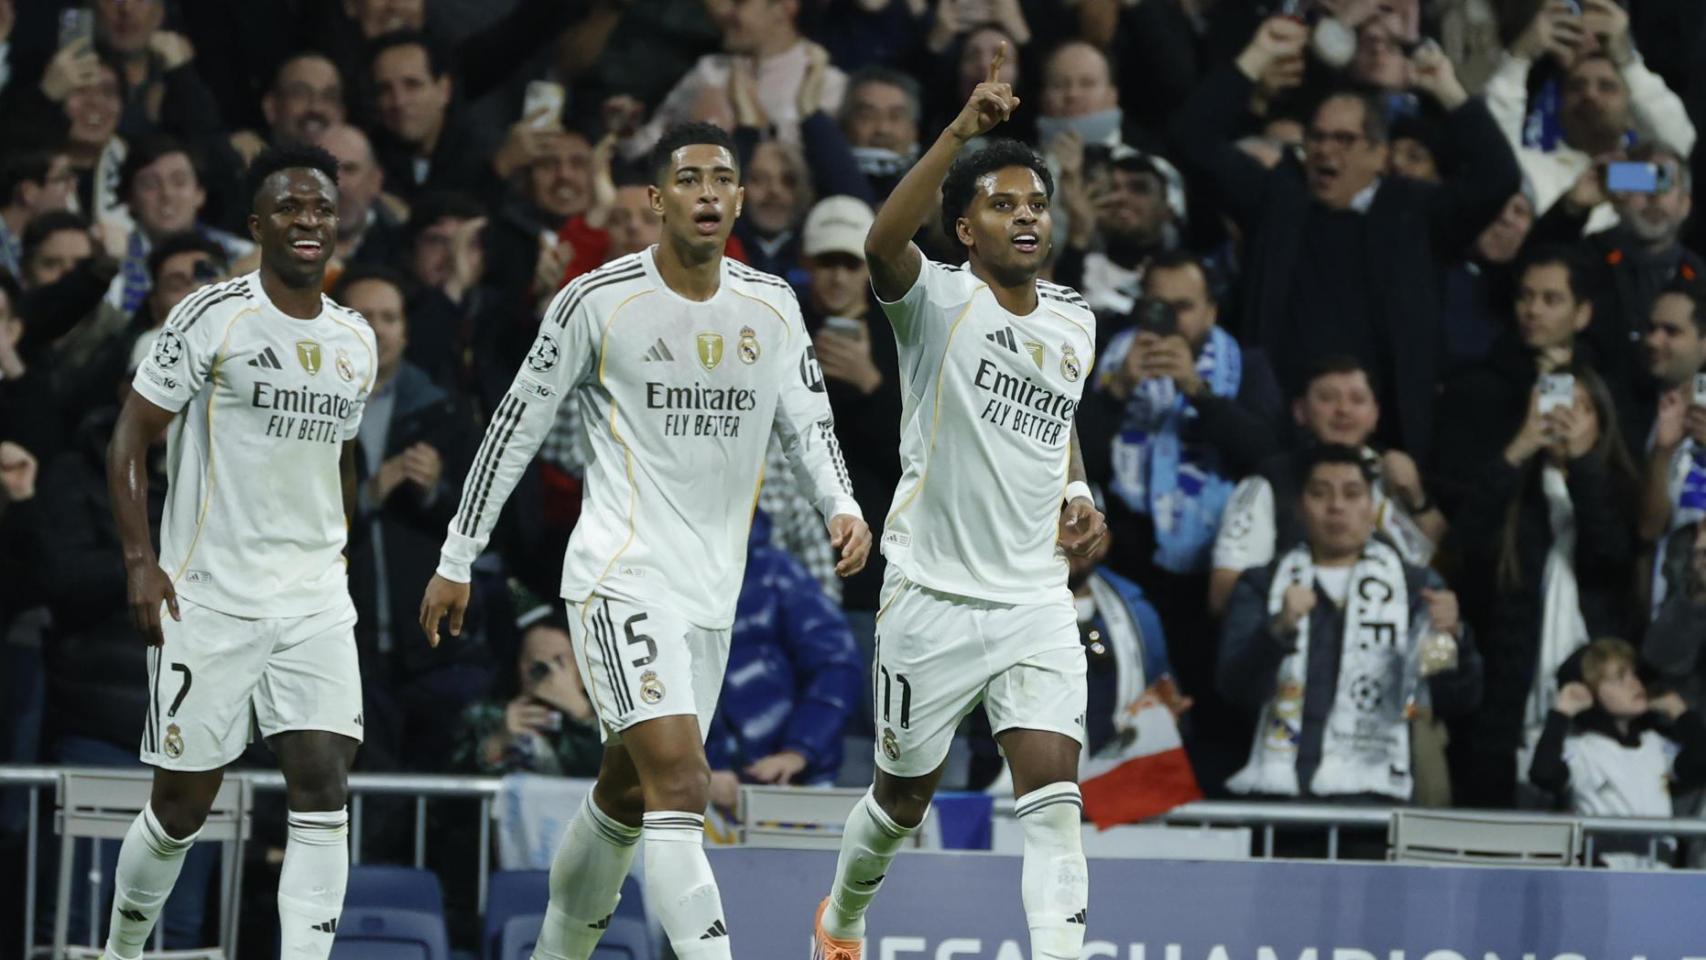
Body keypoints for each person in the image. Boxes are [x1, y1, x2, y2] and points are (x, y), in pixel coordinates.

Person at [419, 122, 870, 960]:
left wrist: (842, 502)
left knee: (625, 793)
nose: (708, 193)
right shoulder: (599, 301)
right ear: (658, 201)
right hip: (619, 577)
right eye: (689, 179)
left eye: (722, 179)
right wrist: (455, 556)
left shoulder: (770, 305)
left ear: (738, 199)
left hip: (711, 591)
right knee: (681, 782)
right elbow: (514, 427)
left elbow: (810, 423)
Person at [811, 47, 1106, 960]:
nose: (1026, 216)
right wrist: (958, 134)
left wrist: (1081, 491)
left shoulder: (1074, 320)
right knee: (901, 803)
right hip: (930, 599)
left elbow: (1059, 422)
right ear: (965, 229)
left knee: (1055, 804)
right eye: (1002, 204)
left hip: (1033, 602)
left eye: (1035, 203)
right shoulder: (931, 304)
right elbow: (878, 244)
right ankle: (844, 917)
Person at [100, 143, 377, 960]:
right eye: (290, 207)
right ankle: (120, 949)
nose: (307, 220)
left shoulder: (356, 338)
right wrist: (139, 562)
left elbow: (345, 457)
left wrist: (341, 553)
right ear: (257, 225)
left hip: (314, 600)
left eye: (321, 207)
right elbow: (128, 438)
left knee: (324, 786)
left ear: (337, 224)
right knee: (181, 809)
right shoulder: (212, 315)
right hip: (209, 597)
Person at [1218, 445, 1483, 804]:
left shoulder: (1416, 589)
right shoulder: (1263, 584)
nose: (1336, 506)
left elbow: (1448, 698)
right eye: (1320, 493)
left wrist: (1452, 639)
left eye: (1352, 493)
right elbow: (1235, 689)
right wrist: (1278, 629)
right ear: (1300, 506)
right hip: (1280, 799)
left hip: (1379, 799)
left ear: (1373, 507)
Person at [1452, 364, 1638, 809]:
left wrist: (1583, 465)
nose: (1566, 418)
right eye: (1557, 404)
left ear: (1602, 422)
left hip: (1596, 706)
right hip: (1511, 707)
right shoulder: (1516, 492)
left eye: (1582, 408)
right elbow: (1465, 542)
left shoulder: (1620, 486)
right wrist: (1518, 448)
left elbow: (1609, 554)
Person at [1530, 638, 1706, 866]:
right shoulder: (1583, 750)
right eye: (1619, 678)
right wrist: (1562, 712)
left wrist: (1680, 712)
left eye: (1633, 675)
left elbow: (1701, 761)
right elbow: (1544, 774)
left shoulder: (1655, 746)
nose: (1634, 684)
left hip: (1660, 878)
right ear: (1590, 691)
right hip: (1606, 879)